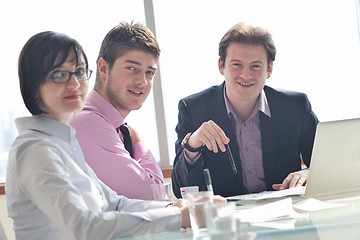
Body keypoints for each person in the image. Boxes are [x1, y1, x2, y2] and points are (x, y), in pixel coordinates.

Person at [5, 31, 193, 240]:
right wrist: (177, 217)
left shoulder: (65, 144)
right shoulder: (35, 150)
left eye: (79, 71)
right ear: (34, 85)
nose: (75, 84)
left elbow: (114, 203)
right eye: (59, 75)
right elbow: (86, 227)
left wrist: (177, 209)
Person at [171, 22, 319, 198]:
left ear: (269, 69)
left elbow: (327, 164)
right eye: (237, 65)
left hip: (287, 213)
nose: (246, 75)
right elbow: (181, 190)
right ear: (221, 65)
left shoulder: (295, 106)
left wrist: (309, 173)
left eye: (255, 66)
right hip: (227, 219)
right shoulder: (194, 109)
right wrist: (192, 145)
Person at [70, 22, 164, 200]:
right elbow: (153, 195)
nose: (142, 82)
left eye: (149, 72)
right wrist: (138, 141)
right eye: (131, 68)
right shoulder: (87, 124)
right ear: (104, 68)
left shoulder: (115, 127)